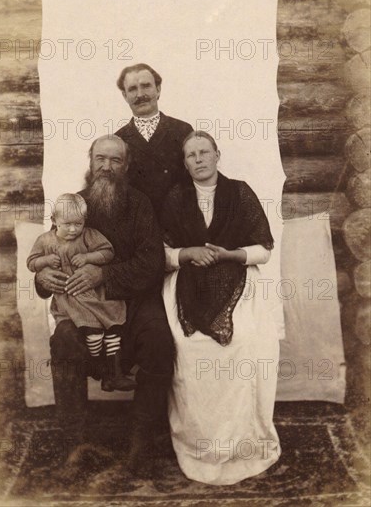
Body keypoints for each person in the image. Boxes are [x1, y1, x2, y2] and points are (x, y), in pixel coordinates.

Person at [35, 135, 174, 475]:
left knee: (159, 338)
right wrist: (42, 280)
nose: (107, 167)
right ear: (91, 161)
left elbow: (151, 262)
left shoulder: (140, 204)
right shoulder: (73, 206)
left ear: (126, 166)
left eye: (115, 160)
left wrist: (104, 275)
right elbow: (48, 253)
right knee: (63, 339)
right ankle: (75, 443)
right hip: (80, 304)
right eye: (101, 159)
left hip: (134, 301)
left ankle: (142, 440)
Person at [161, 131, 281, 485]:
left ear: (217, 155)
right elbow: (162, 254)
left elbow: (263, 249)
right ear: (184, 163)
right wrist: (187, 254)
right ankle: (201, 444)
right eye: (190, 155)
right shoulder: (175, 197)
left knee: (245, 341)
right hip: (186, 282)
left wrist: (230, 255)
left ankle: (244, 441)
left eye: (204, 152)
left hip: (237, 281)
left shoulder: (240, 192)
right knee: (186, 346)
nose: (198, 159)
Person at [27, 193, 135, 393]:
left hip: (95, 295)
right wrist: (45, 262)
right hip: (70, 299)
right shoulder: (45, 241)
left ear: (84, 221)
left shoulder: (89, 235)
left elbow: (107, 252)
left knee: (113, 331)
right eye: (67, 224)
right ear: (54, 221)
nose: (73, 229)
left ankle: (114, 374)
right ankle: (98, 366)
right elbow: (31, 262)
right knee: (93, 334)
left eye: (78, 224)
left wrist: (88, 257)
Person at [115, 63, 193, 214]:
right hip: (138, 228)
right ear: (125, 96)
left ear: (158, 89)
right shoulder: (118, 140)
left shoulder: (183, 130)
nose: (140, 94)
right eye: (132, 89)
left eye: (146, 86)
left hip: (179, 225)